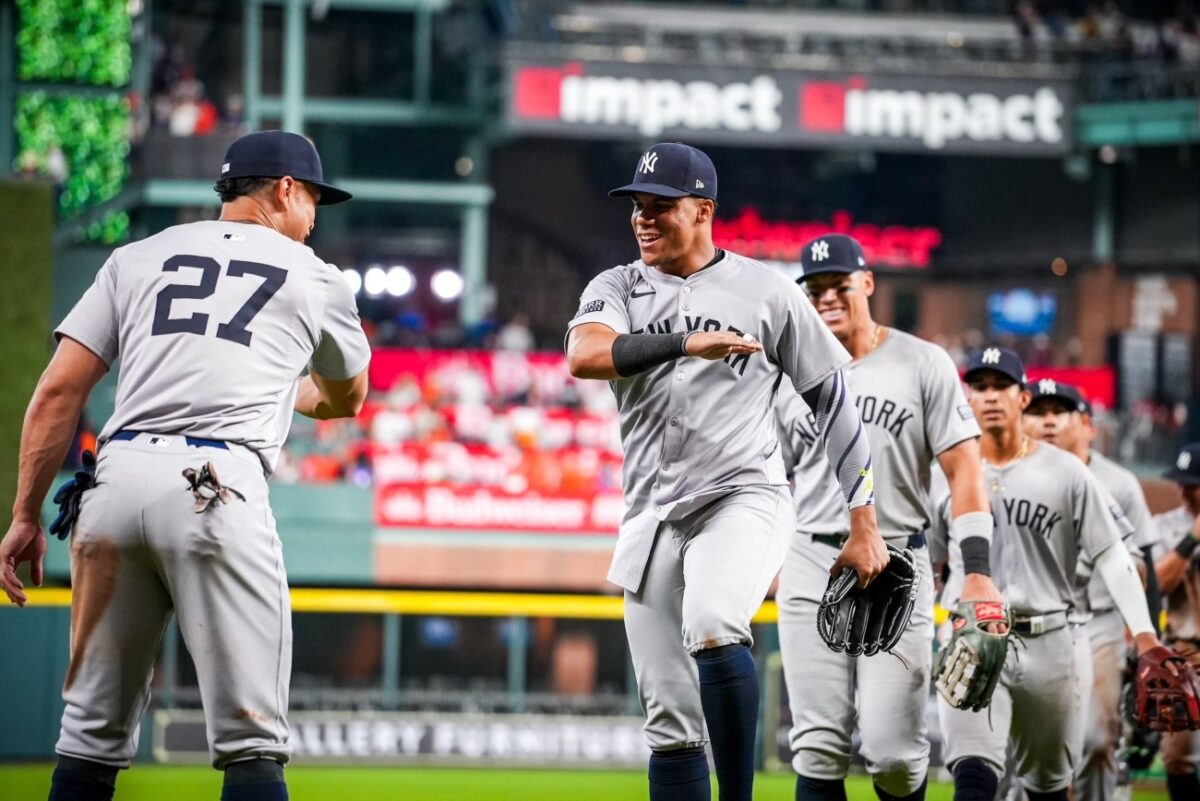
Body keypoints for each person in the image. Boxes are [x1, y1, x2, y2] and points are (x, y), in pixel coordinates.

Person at [0, 130, 370, 801]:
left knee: (87, 740)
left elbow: (57, 390)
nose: (315, 215)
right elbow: (349, 395)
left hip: (111, 482)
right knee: (251, 744)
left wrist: (25, 513)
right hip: (217, 485)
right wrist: (289, 386)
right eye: (314, 197)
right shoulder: (316, 275)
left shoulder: (138, 257)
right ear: (285, 189)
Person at [565, 142, 888, 801]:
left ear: (704, 209)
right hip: (652, 513)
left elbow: (834, 402)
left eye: (661, 207)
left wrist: (864, 520)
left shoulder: (766, 290)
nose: (643, 219)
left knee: (714, 617)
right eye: (637, 208)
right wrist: (685, 342)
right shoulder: (617, 286)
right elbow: (584, 352)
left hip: (745, 495)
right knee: (670, 722)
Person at [773, 234, 1002, 801]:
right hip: (813, 558)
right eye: (816, 289)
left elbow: (965, 470)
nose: (827, 298)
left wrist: (976, 568)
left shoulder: (922, 362)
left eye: (839, 286)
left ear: (867, 283)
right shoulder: (785, 373)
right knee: (818, 747)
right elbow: (768, 479)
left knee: (895, 755)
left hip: (899, 559)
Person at [934, 347, 1164, 801]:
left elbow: (1113, 556)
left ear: (1022, 398)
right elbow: (936, 563)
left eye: (1001, 386)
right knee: (974, 776)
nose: (990, 396)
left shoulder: (1067, 472)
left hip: (1052, 640)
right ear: (968, 397)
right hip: (972, 637)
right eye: (980, 387)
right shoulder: (945, 470)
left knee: (1048, 788)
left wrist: (1145, 635)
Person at [1023, 379, 1161, 801]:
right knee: (1021, 750)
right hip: (1029, 621)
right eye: (1039, 412)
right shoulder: (1010, 473)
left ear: (1085, 424)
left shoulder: (1117, 483)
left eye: (1058, 413)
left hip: (1099, 622)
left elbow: (1144, 567)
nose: (1048, 422)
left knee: (1098, 740)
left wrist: (1146, 638)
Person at [1150, 442, 1200, 801]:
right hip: (1184, 651)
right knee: (1177, 757)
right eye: (1179, 482)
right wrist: (1193, 536)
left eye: (1192, 483)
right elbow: (1159, 584)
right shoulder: (1163, 526)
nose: (1182, 490)